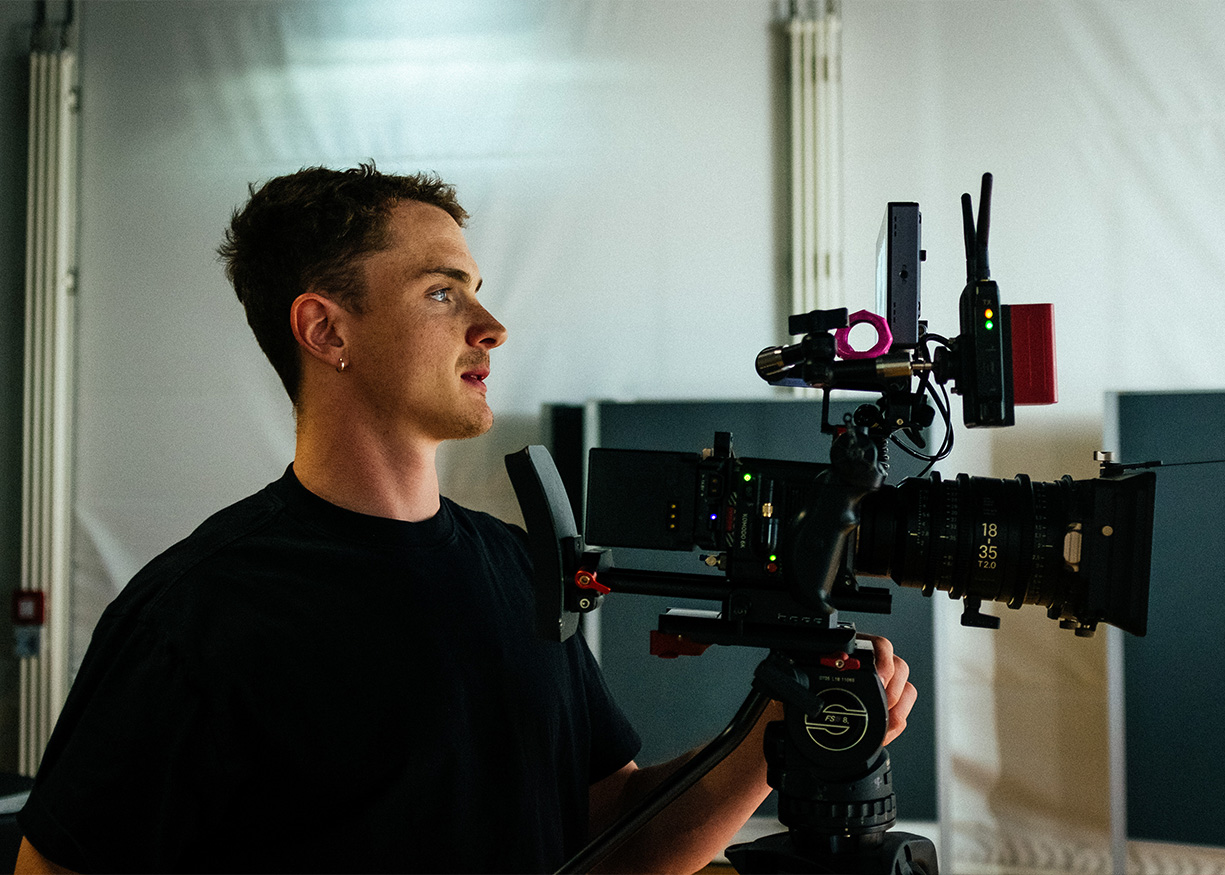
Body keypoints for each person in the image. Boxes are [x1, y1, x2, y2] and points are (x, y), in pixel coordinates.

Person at [15, 164, 916, 874]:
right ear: (326, 331)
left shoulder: (521, 568)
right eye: (443, 292)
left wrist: (781, 736)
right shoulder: (196, 613)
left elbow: (610, 836)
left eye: (476, 289)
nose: (491, 326)